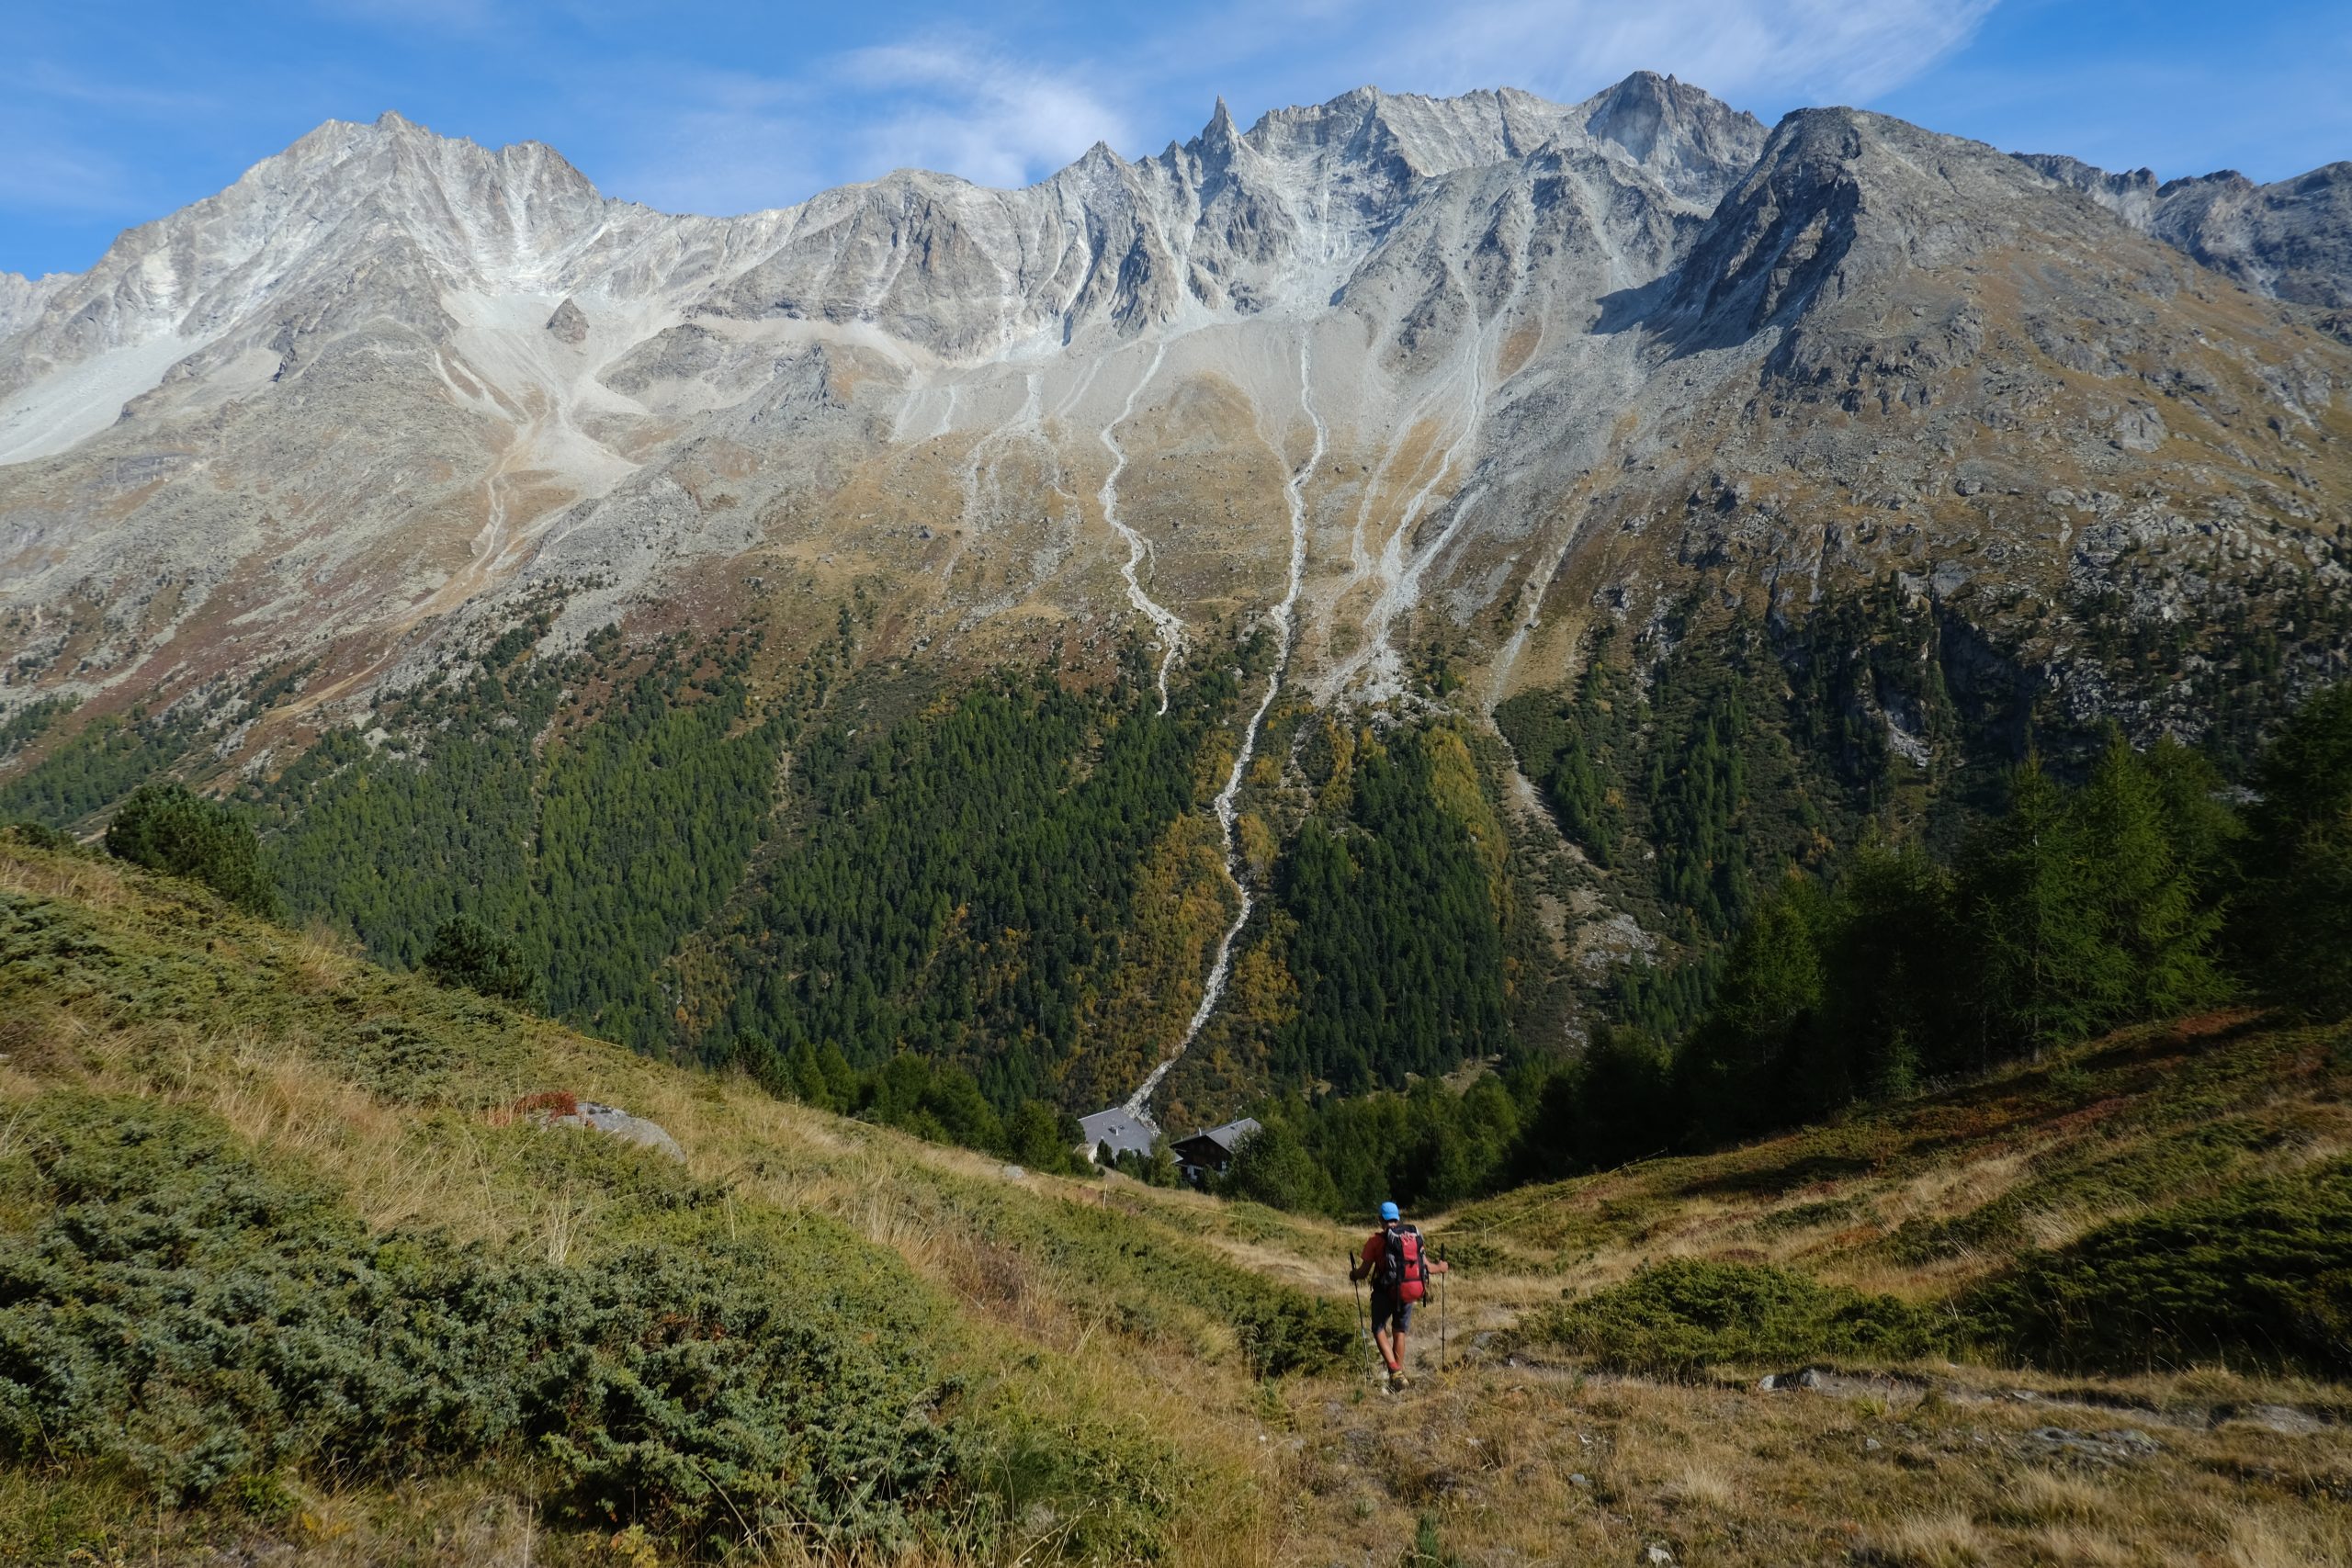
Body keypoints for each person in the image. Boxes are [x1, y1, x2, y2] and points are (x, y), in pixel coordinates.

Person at [1350, 1200, 1449, 1388]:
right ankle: (1398, 1378)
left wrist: (1353, 1274)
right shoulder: (1412, 1237)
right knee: (1399, 1331)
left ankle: (1395, 1371)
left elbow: (1362, 1273)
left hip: (1384, 1292)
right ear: (1398, 1218)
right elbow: (1428, 1266)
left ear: (1381, 1219)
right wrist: (1442, 1267)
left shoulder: (1375, 1242)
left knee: (1378, 1328)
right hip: (1408, 1292)